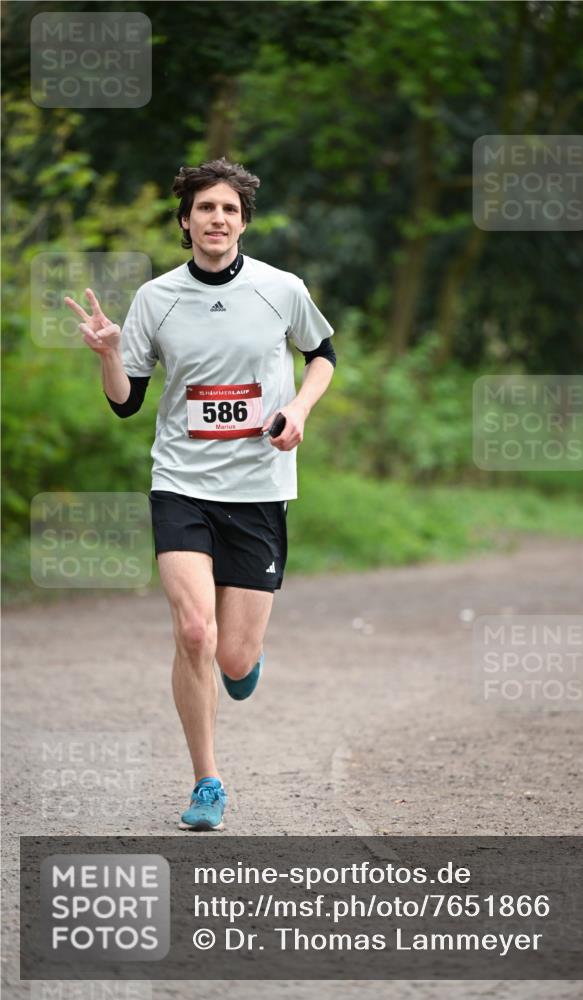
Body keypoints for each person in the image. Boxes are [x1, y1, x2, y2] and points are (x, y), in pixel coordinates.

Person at [64, 157, 335, 831]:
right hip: (181, 485)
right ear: (185, 221)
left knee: (233, 657)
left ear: (243, 222)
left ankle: (243, 663)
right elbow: (126, 405)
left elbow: (322, 351)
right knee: (193, 631)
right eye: (206, 209)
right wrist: (106, 352)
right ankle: (206, 782)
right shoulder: (157, 298)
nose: (218, 219)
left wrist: (298, 408)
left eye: (230, 210)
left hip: (258, 490)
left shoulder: (280, 289)